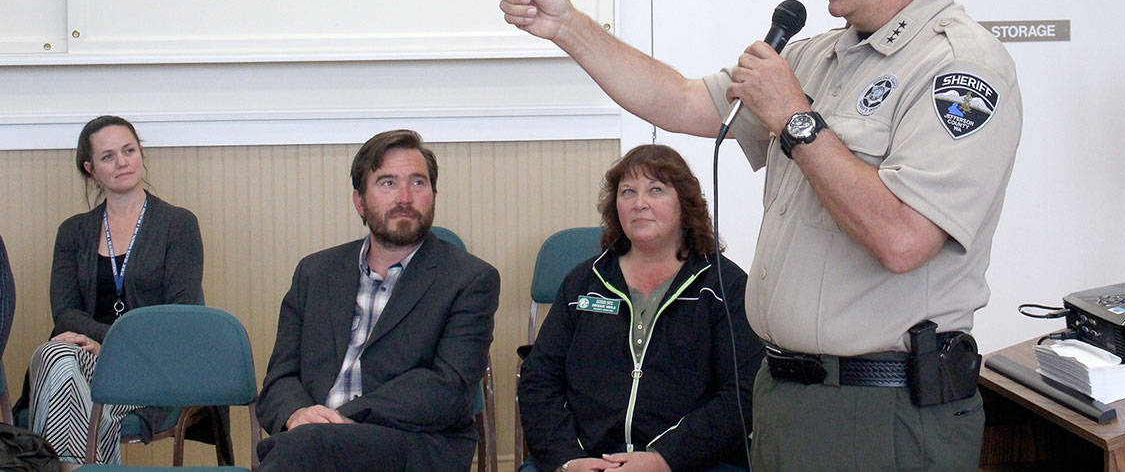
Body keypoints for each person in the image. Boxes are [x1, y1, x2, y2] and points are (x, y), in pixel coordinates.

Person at [498, 0, 1022, 470]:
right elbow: (684, 100)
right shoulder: (815, 57)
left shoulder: (959, 68)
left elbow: (904, 238)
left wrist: (798, 121)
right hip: (784, 397)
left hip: (882, 411)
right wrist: (570, 28)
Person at [255, 128, 500, 472]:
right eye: (387, 183)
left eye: (418, 183)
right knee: (305, 448)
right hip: (311, 442)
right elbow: (280, 378)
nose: (405, 197)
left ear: (433, 194)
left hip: (413, 442)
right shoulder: (315, 273)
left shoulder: (469, 279)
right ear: (360, 201)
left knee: (302, 449)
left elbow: (448, 390)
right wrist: (297, 414)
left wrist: (336, 420)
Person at [519, 144, 762, 472]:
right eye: (628, 191)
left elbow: (742, 393)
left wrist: (665, 459)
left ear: (685, 204)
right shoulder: (583, 283)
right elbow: (539, 380)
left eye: (656, 190)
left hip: (693, 461)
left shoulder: (723, 287)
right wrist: (567, 460)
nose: (639, 204)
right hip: (586, 459)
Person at [25, 114, 204, 464]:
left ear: (141, 154)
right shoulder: (73, 232)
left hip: (151, 364)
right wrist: (97, 346)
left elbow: (181, 317)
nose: (122, 162)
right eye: (108, 156)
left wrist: (108, 343)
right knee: (55, 357)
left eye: (129, 150)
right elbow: (65, 314)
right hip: (82, 359)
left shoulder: (178, 225)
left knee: (61, 375)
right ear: (90, 168)